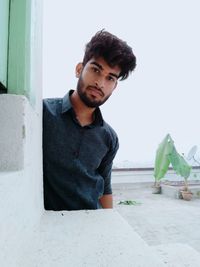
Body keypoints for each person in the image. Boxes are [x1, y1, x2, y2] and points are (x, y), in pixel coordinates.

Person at [43, 30, 136, 210]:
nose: (100, 83)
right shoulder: (43, 114)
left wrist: (109, 225)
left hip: (93, 221)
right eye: (96, 70)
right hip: (49, 224)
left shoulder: (109, 138)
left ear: (114, 87)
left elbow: (105, 186)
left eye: (110, 78)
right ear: (79, 69)